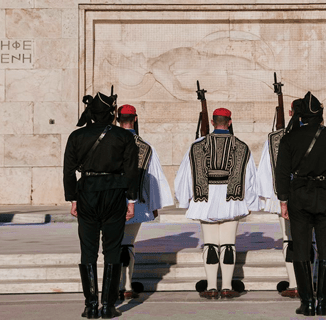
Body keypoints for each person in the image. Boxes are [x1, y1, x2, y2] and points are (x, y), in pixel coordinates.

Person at [275, 92, 326, 317]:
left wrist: (283, 201)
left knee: (301, 247)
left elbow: (282, 173)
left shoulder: (289, 139)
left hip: (299, 195)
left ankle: (307, 302)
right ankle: (324, 303)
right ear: (320, 115)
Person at [63, 92, 139, 319]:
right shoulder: (123, 137)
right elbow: (132, 171)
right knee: (112, 249)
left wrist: (73, 199)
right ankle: (107, 306)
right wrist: (131, 201)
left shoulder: (77, 136)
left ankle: (90, 306)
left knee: (88, 249)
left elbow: (68, 170)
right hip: (114, 193)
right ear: (111, 113)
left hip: (86, 192)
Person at [174, 107, 259, 300]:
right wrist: (250, 201)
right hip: (232, 199)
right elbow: (250, 178)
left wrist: (185, 198)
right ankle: (228, 287)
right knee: (229, 244)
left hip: (206, 199)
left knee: (210, 244)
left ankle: (212, 287)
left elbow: (185, 176)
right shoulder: (242, 146)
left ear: (213, 122)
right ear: (229, 122)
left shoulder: (197, 146)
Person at [115, 104, 174, 299]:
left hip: (109, 201)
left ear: (117, 119)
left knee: (114, 244)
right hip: (137, 202)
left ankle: (115, 285)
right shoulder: (146, 147)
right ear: (135, 119)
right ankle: (129, 286)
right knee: (128, 244)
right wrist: (155, 205)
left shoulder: (107, 143)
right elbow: (152, 177)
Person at [256, 101, 299, 298]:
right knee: (310, 242)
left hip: (286, 198)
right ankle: (309, 281)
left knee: (289, 240)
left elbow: (266, 171)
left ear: (290, 112)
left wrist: (272, 199)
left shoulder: (274, 139)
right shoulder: (322, 134)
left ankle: (294, 282)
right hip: (314, 198)